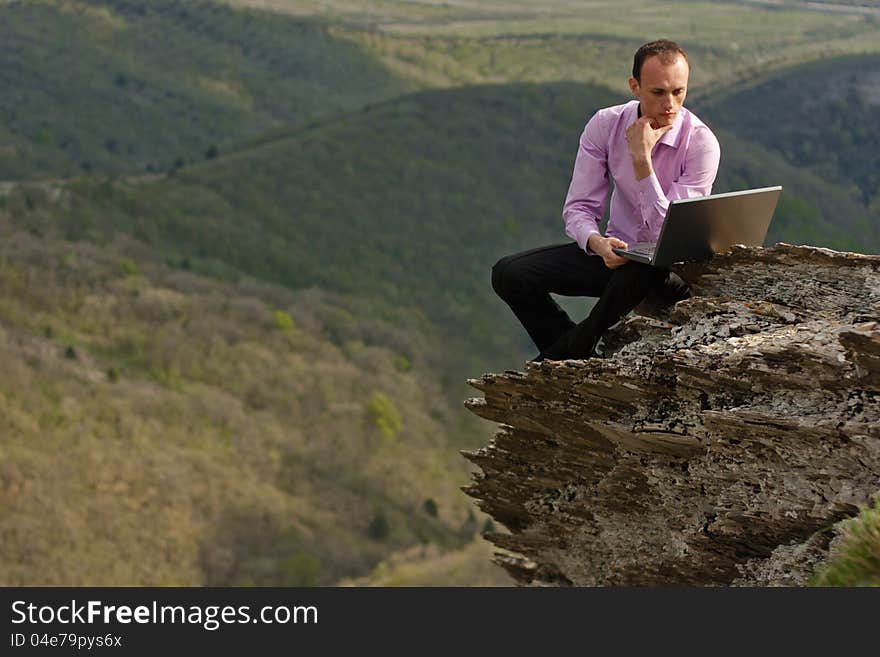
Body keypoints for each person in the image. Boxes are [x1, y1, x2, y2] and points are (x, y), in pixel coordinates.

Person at [492, 39, 721, 361]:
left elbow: (666, 234)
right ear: (634, 86)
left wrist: (642, 161)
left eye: (678, 92)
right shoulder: (605, 124)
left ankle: (569, 353)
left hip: (672, 270)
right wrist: (596, 242)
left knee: (647, 262)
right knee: (510, 273)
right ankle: (575, 353)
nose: (670, 104)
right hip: (618, 256)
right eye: (658, 92)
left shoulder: (700, 142)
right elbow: (579, 207)